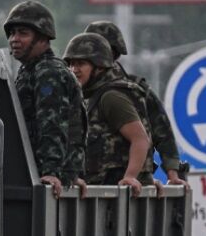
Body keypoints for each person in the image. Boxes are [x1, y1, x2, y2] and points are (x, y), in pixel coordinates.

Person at [85, 20, 185, 185]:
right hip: (94, 184)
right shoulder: (80, 89)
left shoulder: (136, 90)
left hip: (129, 184)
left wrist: (172, 174)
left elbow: (162, 131)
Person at [3, 1, 86, 197]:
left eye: (23, 33)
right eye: (12, 33)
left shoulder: (49, 72)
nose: (15, 39)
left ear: (42, 38)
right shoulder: (30, 70)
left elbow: (52, 124)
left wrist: (52, 172)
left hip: (43, 179)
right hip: (30, 173)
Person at [63, 33, 153, 195]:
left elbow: (140, 138)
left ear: (99, 66)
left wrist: (130, 177)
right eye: (71, 64)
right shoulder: (88, 96)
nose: (73, 70)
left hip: (115, 194)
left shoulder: (111, 97)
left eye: (80, 64)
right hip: (100, 191)